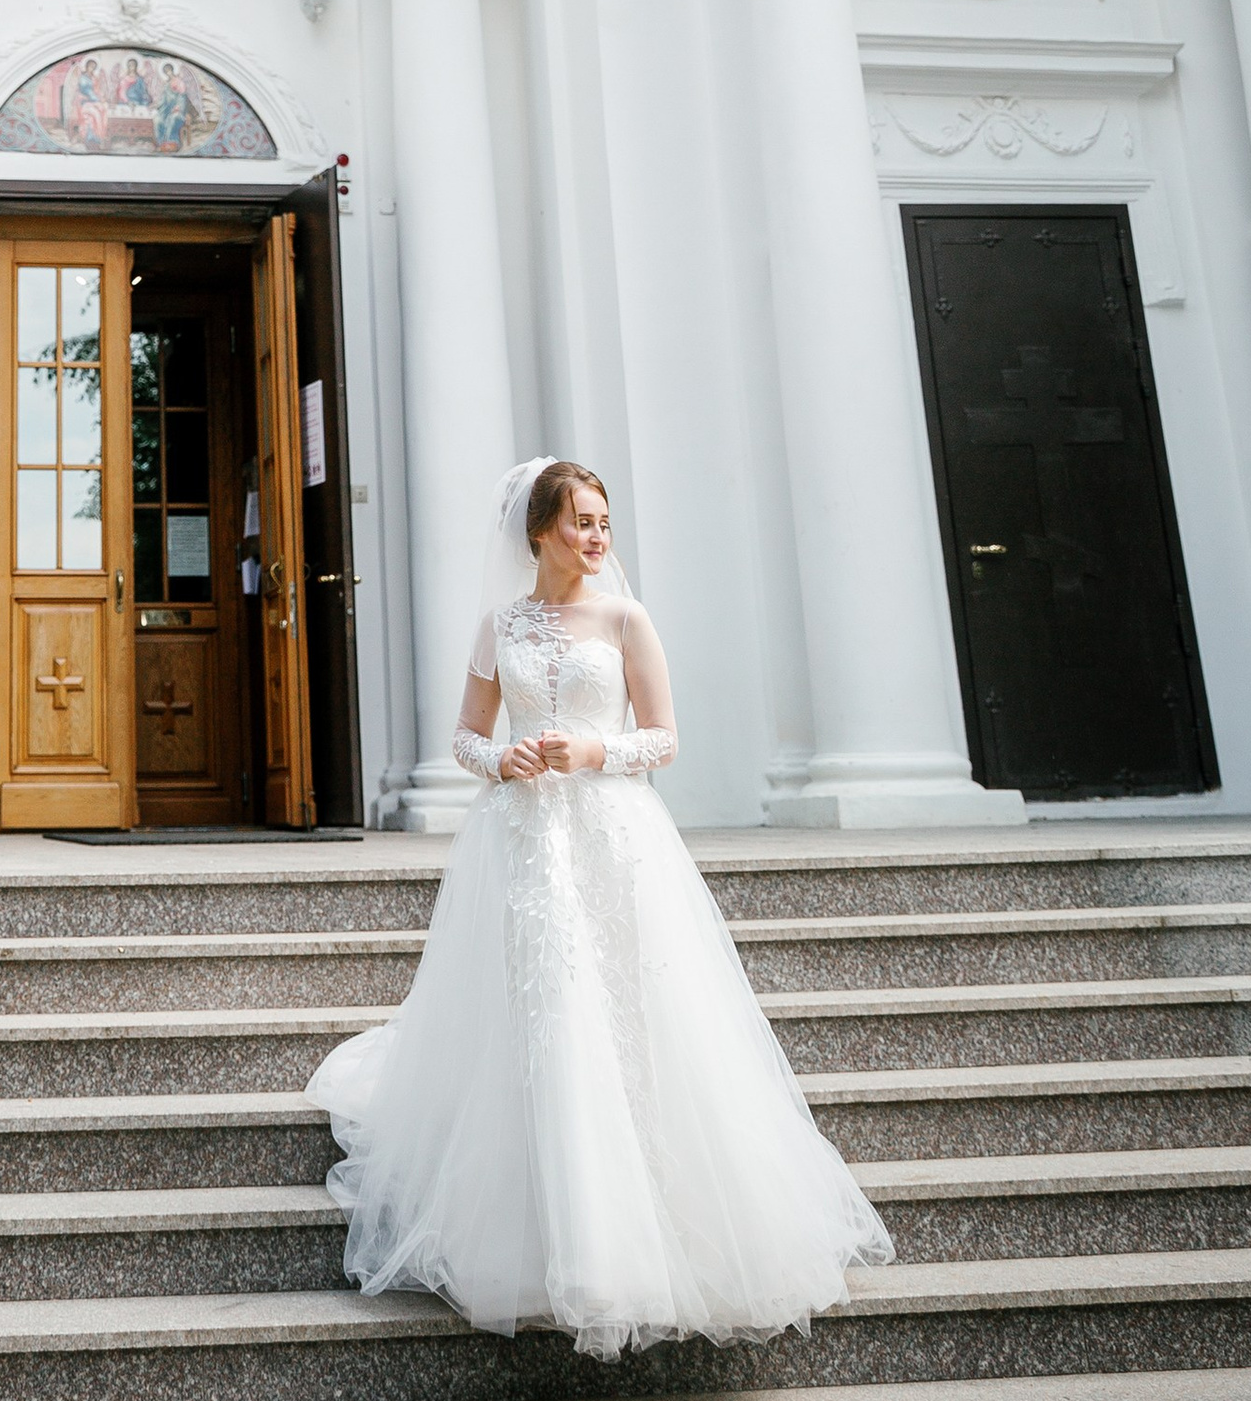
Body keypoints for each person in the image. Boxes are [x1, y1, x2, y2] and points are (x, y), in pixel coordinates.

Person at [306, 456, 891, 1351]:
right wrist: (501, 760)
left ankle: (658, 1224)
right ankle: (548, 1233)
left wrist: (590, 752)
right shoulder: (496, 624)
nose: (595, 537)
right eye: (581, 521)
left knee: (630, 1004)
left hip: (615, 837)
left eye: (604, 523)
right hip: (523, 843)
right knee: (543, 1013)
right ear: (538, 530)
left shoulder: (625, 617)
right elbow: (465, 734)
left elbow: (663, 738)